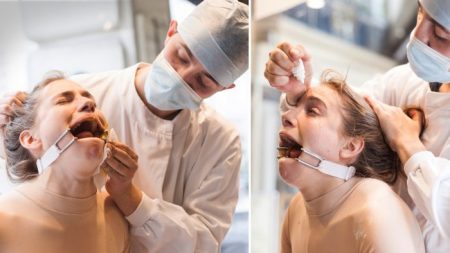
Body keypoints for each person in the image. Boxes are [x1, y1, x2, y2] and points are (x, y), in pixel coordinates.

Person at [0, 0, 248, 252]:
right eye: (181, 56)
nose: (181, 78)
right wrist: (11, 131)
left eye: (203, 81)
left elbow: (203, 243)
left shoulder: (220, 141)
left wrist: (131, 199)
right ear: (171, 31)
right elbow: (32, 163)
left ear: (224, 87)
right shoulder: (86, 92)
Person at [264, 0, 450, 251]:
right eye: (419, 12)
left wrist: (409, 146)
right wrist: (299, 90)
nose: (417, 35)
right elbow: (345, 113)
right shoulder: (405, 82)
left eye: (441, 34)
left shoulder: (376, 212)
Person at [278, 71, 424, 253]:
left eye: (313, 111)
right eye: (296, 107)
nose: (286, 116)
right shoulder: (296, 209)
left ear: (351, 146)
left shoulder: (379, 214)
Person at [0, 72, 131, 253]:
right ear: (31, 139)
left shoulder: (117, 218)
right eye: (63, 101)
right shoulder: (4, 223)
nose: (89, 104)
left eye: (92, 101)